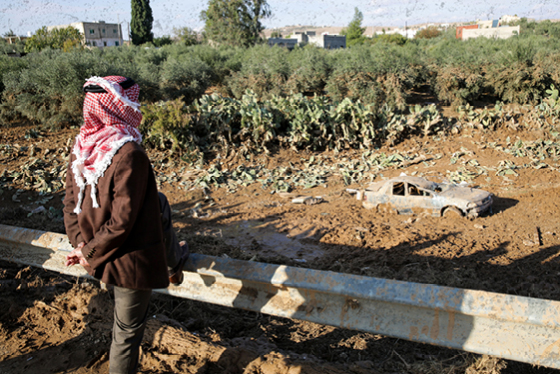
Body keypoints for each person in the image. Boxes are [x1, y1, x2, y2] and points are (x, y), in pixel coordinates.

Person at [63, 75, 189, 374]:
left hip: (98, 253)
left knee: (157, 201)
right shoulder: (129, 153)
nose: (137, 105)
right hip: (128, 260)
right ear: (119, 105)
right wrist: (88, 251)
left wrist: (81, 245)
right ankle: (173, 265)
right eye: (132, 99)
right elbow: (122, 222)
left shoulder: (82, 146)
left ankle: (173, 263)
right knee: (126, 335)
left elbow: (70, 204)